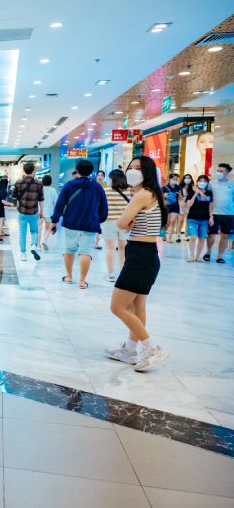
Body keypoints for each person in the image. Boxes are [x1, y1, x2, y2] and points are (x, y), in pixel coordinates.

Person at [104, 156, 169, 372]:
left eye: (138, 168)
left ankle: (152, 349)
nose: (132, 171)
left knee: (117, 307)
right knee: (136, 307)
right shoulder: (149, 193)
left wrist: (125, 222)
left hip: (141, 256)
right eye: (130, 167)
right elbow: (126, 225)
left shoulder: (143, 194)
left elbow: (121, 223)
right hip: (144, 253)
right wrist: (126, 224)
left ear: (147, 172)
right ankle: (129, 351)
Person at [51, 159, 108, 289]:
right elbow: (104, 207)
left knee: (69, 249)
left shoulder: (69, 185)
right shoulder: (97, 187)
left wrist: (54, 220)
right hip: (90, 224)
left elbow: (60, 204)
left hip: (71, 223)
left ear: (77, 171)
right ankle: (82, 281)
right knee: (86, 252)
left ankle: (69, 276)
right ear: (91, 172)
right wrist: (100, 220)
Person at [100, 170, 130, 281]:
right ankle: (123, 273)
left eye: (110, 178)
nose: (108, 180)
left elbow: (101, 207)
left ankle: (111, 274)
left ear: (113, 179)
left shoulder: (105, 191)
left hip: (109, 222)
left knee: (110, 248)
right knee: (123, 248)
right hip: (124, 222)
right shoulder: (129, 191)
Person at [12, 162, 44, 261]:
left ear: (23, 171)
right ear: (33, 171)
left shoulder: (18, 182)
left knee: (22, 233)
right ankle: (34, 245)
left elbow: (14, 196)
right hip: (33, 211)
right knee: (34, 231)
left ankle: (23, 254)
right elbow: (41, 199)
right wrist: (42, 211)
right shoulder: (39, 183)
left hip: (22, 211)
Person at [203, 163, 233, 264]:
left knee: (225, 236)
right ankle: (208, 252)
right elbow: (206, 195)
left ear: (227, 173)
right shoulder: (211, 184)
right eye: (218, 171)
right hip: (215, 214)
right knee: (212, 235)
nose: (218, 173)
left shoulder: (232, 185)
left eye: (221, 171)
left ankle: (220, 256)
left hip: (229, 214)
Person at [184, 175, 214, 262]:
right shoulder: (192, 192)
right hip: (192, 218)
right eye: (200, 181)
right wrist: (195, 194)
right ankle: (191, 256)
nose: (202, 183)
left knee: (201, 238)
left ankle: (197, 257)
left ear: (207, 183)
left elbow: (210, 206)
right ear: (197, 182)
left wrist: (211, 217)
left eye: (204, 181)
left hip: (204, 219)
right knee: (193, 236)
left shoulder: (209, 193)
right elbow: (189, 205)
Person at [38, 175, 58, 250]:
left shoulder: (39, 189)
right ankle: (45, 240)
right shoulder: (53, 190)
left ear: (42, 181)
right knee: (47, 228)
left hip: (40, 212)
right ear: (51, 182)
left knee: (39, 229)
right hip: (49, 213)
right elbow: (56, 202)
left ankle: (38, 245)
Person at [162, 173, 182, 243]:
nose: (175, 180)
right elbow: (160, 197)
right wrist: (164, 195)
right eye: (174, 179)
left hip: (175, 206)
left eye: (176, 179)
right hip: (167, 206)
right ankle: (164, 234)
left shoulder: (179, 187)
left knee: (172, 221)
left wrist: (179, 194)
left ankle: (169, 238)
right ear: (170, 179)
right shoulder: (164, 187)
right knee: (167, 222)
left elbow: (181, 198)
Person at [177, 174, 195, 242]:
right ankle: (178, 235)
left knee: (187, 221)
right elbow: (177, 196)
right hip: (181, 204)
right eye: (186, 178)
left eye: (189, 178)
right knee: (181, 220)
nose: (187, 179)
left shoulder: (193, 187)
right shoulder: (180, 187)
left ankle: (186, 235)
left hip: (189, 205)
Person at [94, 171, 107, 249]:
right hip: (92, 207)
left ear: (104, 177)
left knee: (99, 226)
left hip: (101, 208)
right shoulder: (92, 185)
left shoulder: (106, 187)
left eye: (101, 175)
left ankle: (96, 243)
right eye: (98, 175)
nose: (100, 177)